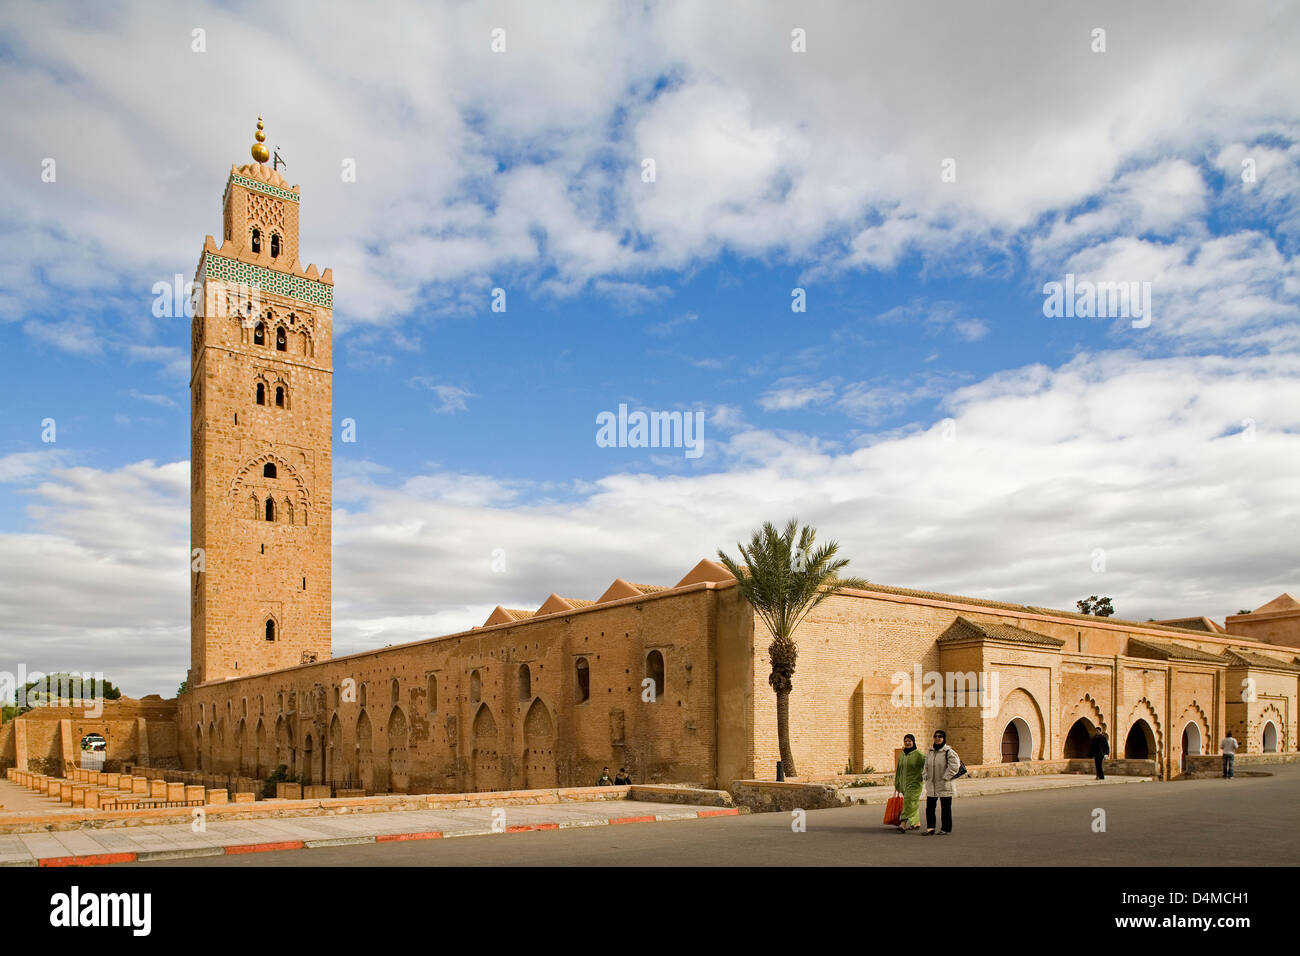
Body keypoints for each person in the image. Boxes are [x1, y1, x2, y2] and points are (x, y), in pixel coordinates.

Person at [922, 729, 960, 835]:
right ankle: (930, 828)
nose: (937, 738)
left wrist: (946, 777)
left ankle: (945, 828)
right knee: (930, 807)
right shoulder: (930, 752)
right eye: (935, 736)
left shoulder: (949, 752)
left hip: (944, 784)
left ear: (944, 739)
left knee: (945, 808)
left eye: (940, 736)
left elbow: (954, 766)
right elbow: (925, 766)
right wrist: (925, 775)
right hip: (931, 785)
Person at [893, 734, 925, 832]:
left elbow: (927, 765)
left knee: (909, 803)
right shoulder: (903, 754)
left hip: (915, 784)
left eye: (909, 741)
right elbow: (899, 769)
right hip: (904, 784)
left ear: (913, 742)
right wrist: (897, 782)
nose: (907, 743)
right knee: (911, 803)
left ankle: (902, 823)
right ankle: (916, 823)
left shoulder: (918, 754)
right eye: (905, 741)